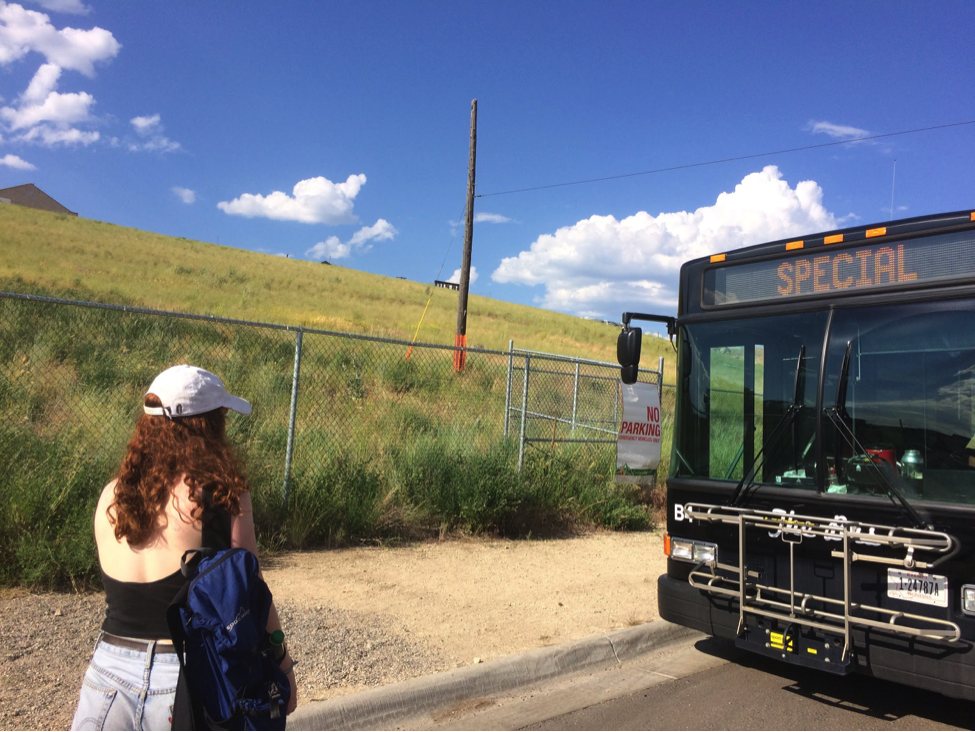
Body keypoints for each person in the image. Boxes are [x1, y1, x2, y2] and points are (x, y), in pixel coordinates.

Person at [71, 365, 298, 731]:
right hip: (182, 681)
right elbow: (251, 593)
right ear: (207, 427)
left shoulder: (111, 497)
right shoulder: (221, 495)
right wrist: (282, 662)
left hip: (107, 673)